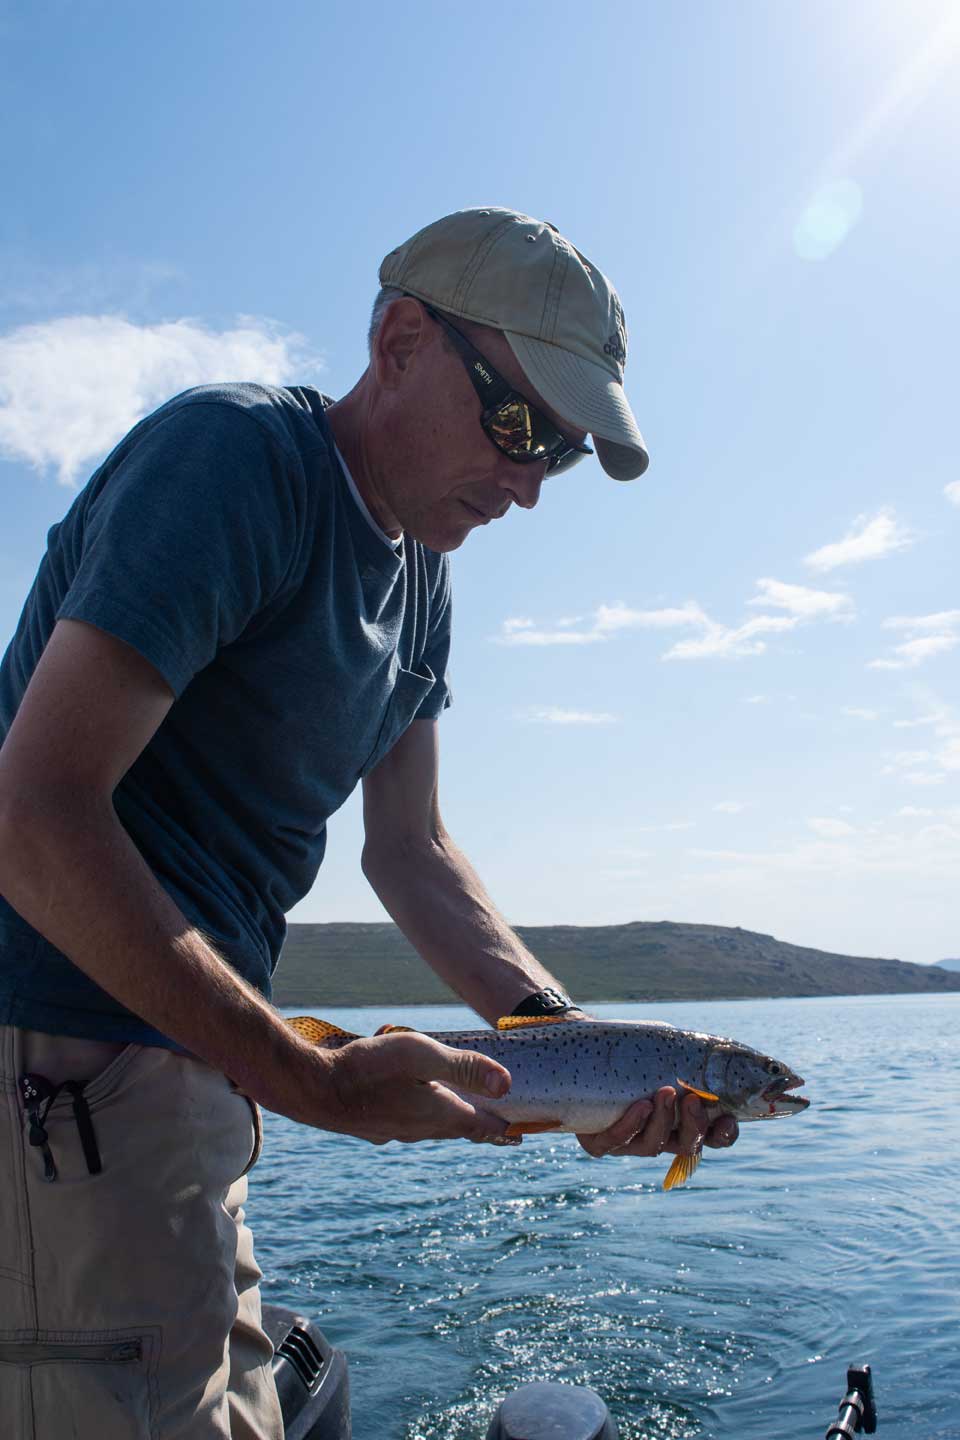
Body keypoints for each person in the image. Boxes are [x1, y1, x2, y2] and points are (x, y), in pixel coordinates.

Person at [0, 207, 737, 1438]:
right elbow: (31, 813)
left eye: (559, 455)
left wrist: (576, 1057)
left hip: (188, 1081)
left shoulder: (423, 579)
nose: (527, 485)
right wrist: (312, 1081)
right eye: (519, 425)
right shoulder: (235, 463)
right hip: (58, 1069)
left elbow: (413, 851)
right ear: (400, 341)